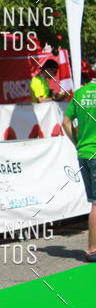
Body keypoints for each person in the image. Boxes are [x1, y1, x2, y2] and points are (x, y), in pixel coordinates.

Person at [62, 76, 96, 262]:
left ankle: (92, 248)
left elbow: (66, 122)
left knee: (94, 202)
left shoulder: (80, 93)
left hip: (84, 152)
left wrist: (77, 143)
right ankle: (92, 249)